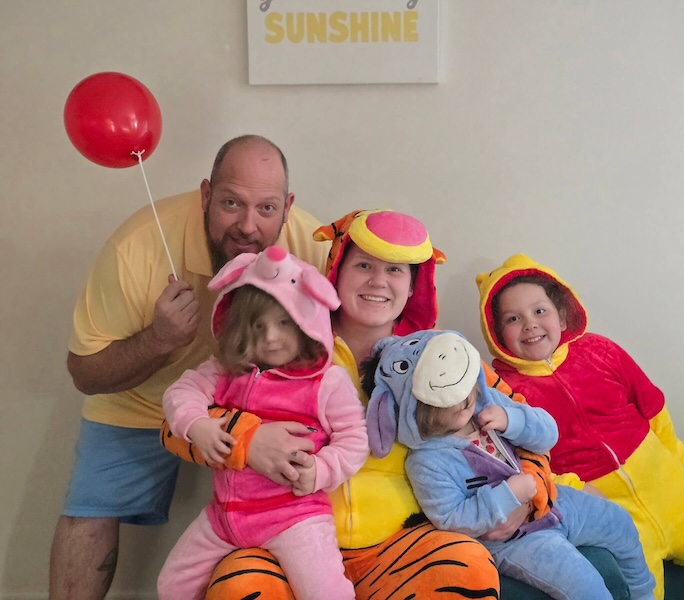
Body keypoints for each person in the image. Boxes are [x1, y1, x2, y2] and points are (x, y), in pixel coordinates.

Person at [163, 210, 633, 600]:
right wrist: (246, 439)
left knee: (465, 567)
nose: (378, 281)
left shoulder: (440, 354)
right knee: (239, 587)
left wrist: (532, 489)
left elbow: (509, 420)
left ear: (413, 286)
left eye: (394, 270)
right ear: (335, 274)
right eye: (363, 265)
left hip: (403, 538)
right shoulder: (283, 342)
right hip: (277, 535)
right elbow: (178, 420)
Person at [49, 135, 330, 600]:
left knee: (320, 504)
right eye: (231, 202)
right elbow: (85, 373)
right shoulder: (136, 247)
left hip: (271, 405)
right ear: (205, 195)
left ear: (288, 208)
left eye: (266, 209)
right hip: (144, 401)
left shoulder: (309, 245)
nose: (247, 225)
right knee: (90, 508)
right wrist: (158, 341)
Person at [476, 253, 684, 600]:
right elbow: (515, 460)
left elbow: (653, 408)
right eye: (514, 318)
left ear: (559, 311)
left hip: (660, 476)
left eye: (539, 311)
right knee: (643, 586)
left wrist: (674, 463)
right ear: (497, 333)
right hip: (600, 499)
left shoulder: (600, 350)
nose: (530, 324)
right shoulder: (501, 389)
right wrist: (572, 490)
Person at [363, 329, 657, 600]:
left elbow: (548, 433)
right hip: (515, 542)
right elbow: (451, 518)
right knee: (586, 586)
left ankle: (645, 595)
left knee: (620, 523)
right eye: (446, 400)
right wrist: (508, 495)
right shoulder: (426, 461)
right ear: (415, 412)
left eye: (466, 388)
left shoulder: (489, 403)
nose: (464, 401)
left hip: (553, 502)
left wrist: (512, 421)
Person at [158, 246, 368, 599]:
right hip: (224, 518)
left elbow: (355, 439)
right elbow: (181, 392)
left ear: (305, 322)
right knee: (171, 585)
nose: (270, 337)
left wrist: (320, 470)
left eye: (284, 322)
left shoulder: (325, 382)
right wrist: (197, 424)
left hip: (295, 518)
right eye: (258, 325)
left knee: (326, 594)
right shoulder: (227, 370)